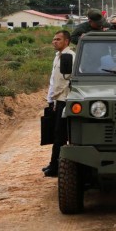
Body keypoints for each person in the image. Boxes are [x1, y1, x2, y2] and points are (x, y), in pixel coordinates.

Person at [43, 30, 75, 177]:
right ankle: (53, 164)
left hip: (65, 100)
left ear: (66, 41)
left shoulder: (70, 57)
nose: (54, 42)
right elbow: (53, 81)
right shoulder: (58, 57)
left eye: (58, 39)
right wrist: (51, 99)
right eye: (53, 39)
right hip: (58, 99)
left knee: (60, 135)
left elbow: (67, 82)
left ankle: (57, 167)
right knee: (55, 133)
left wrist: (55, 98)